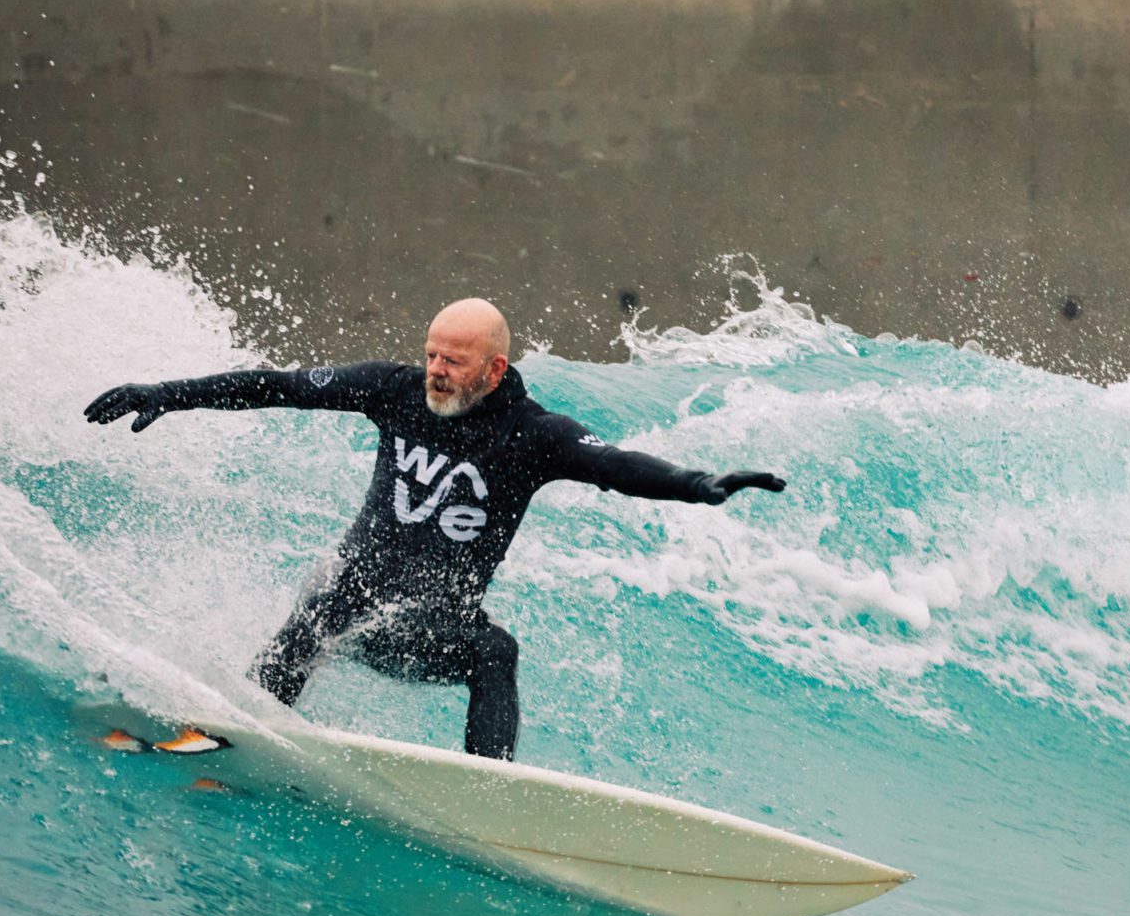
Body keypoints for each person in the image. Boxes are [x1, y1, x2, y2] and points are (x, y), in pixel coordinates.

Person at [84, 298, 784, 760]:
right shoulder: (393, 391)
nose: (436, 371)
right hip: (348, 603)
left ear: (494, 368)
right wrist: (166, 396)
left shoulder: (534, 436)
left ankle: (487, 788)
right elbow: (282, 385)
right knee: (325, 599)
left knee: (495, 649)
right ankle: (229, 731)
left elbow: (619, 465)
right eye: (431, 354)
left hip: (427, 631)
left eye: (452, 361)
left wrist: (701, 487)